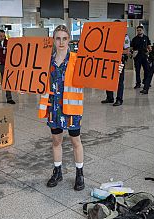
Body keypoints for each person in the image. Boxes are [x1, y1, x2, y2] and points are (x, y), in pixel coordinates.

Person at [39, 25, 123, 191]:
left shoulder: (78, 59)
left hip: (71, 107)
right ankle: (57, 171)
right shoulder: (46, 60)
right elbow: (36, 80)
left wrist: (115, 70)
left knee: (75, 140)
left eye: (64, 38)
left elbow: (97, 72)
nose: (61, 41)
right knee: (56, 140)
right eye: (58, 38)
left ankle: (79, 173)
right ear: (53, 40)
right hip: (53, 107)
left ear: (69, 39)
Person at [102, 24, 130, 106]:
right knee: (108, 79)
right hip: (110, 60)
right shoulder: (109, 36)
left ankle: (119, 99)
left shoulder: (125, 37)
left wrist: (115, 51)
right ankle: (110, 97)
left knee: (120, 81)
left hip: (119, 61)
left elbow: (127, 51)